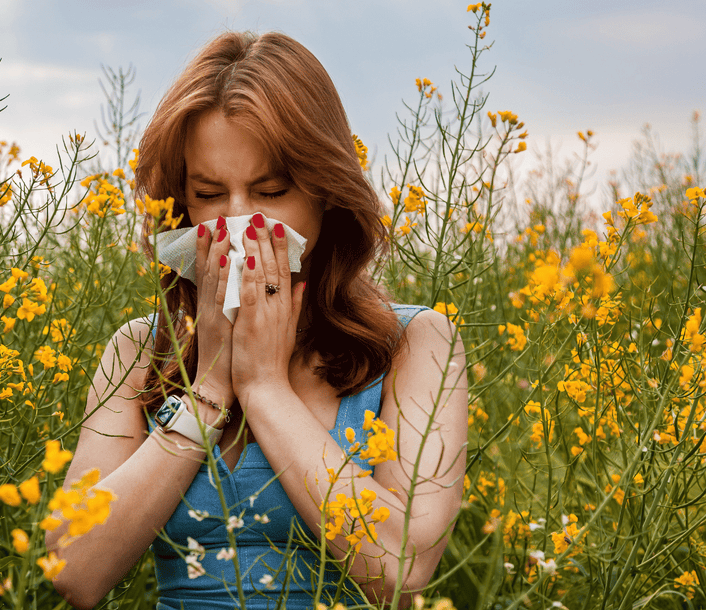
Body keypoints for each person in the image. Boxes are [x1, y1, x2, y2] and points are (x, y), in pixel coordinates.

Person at [47, 30, 468, 610]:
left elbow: (400, 571)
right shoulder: (139, 350)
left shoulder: (415, 344)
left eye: (270, 190)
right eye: (209, 194)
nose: (239, 223)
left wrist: (265, 388)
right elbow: (74, 570)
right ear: (181, 205)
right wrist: (211, 387)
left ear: (325, 192)